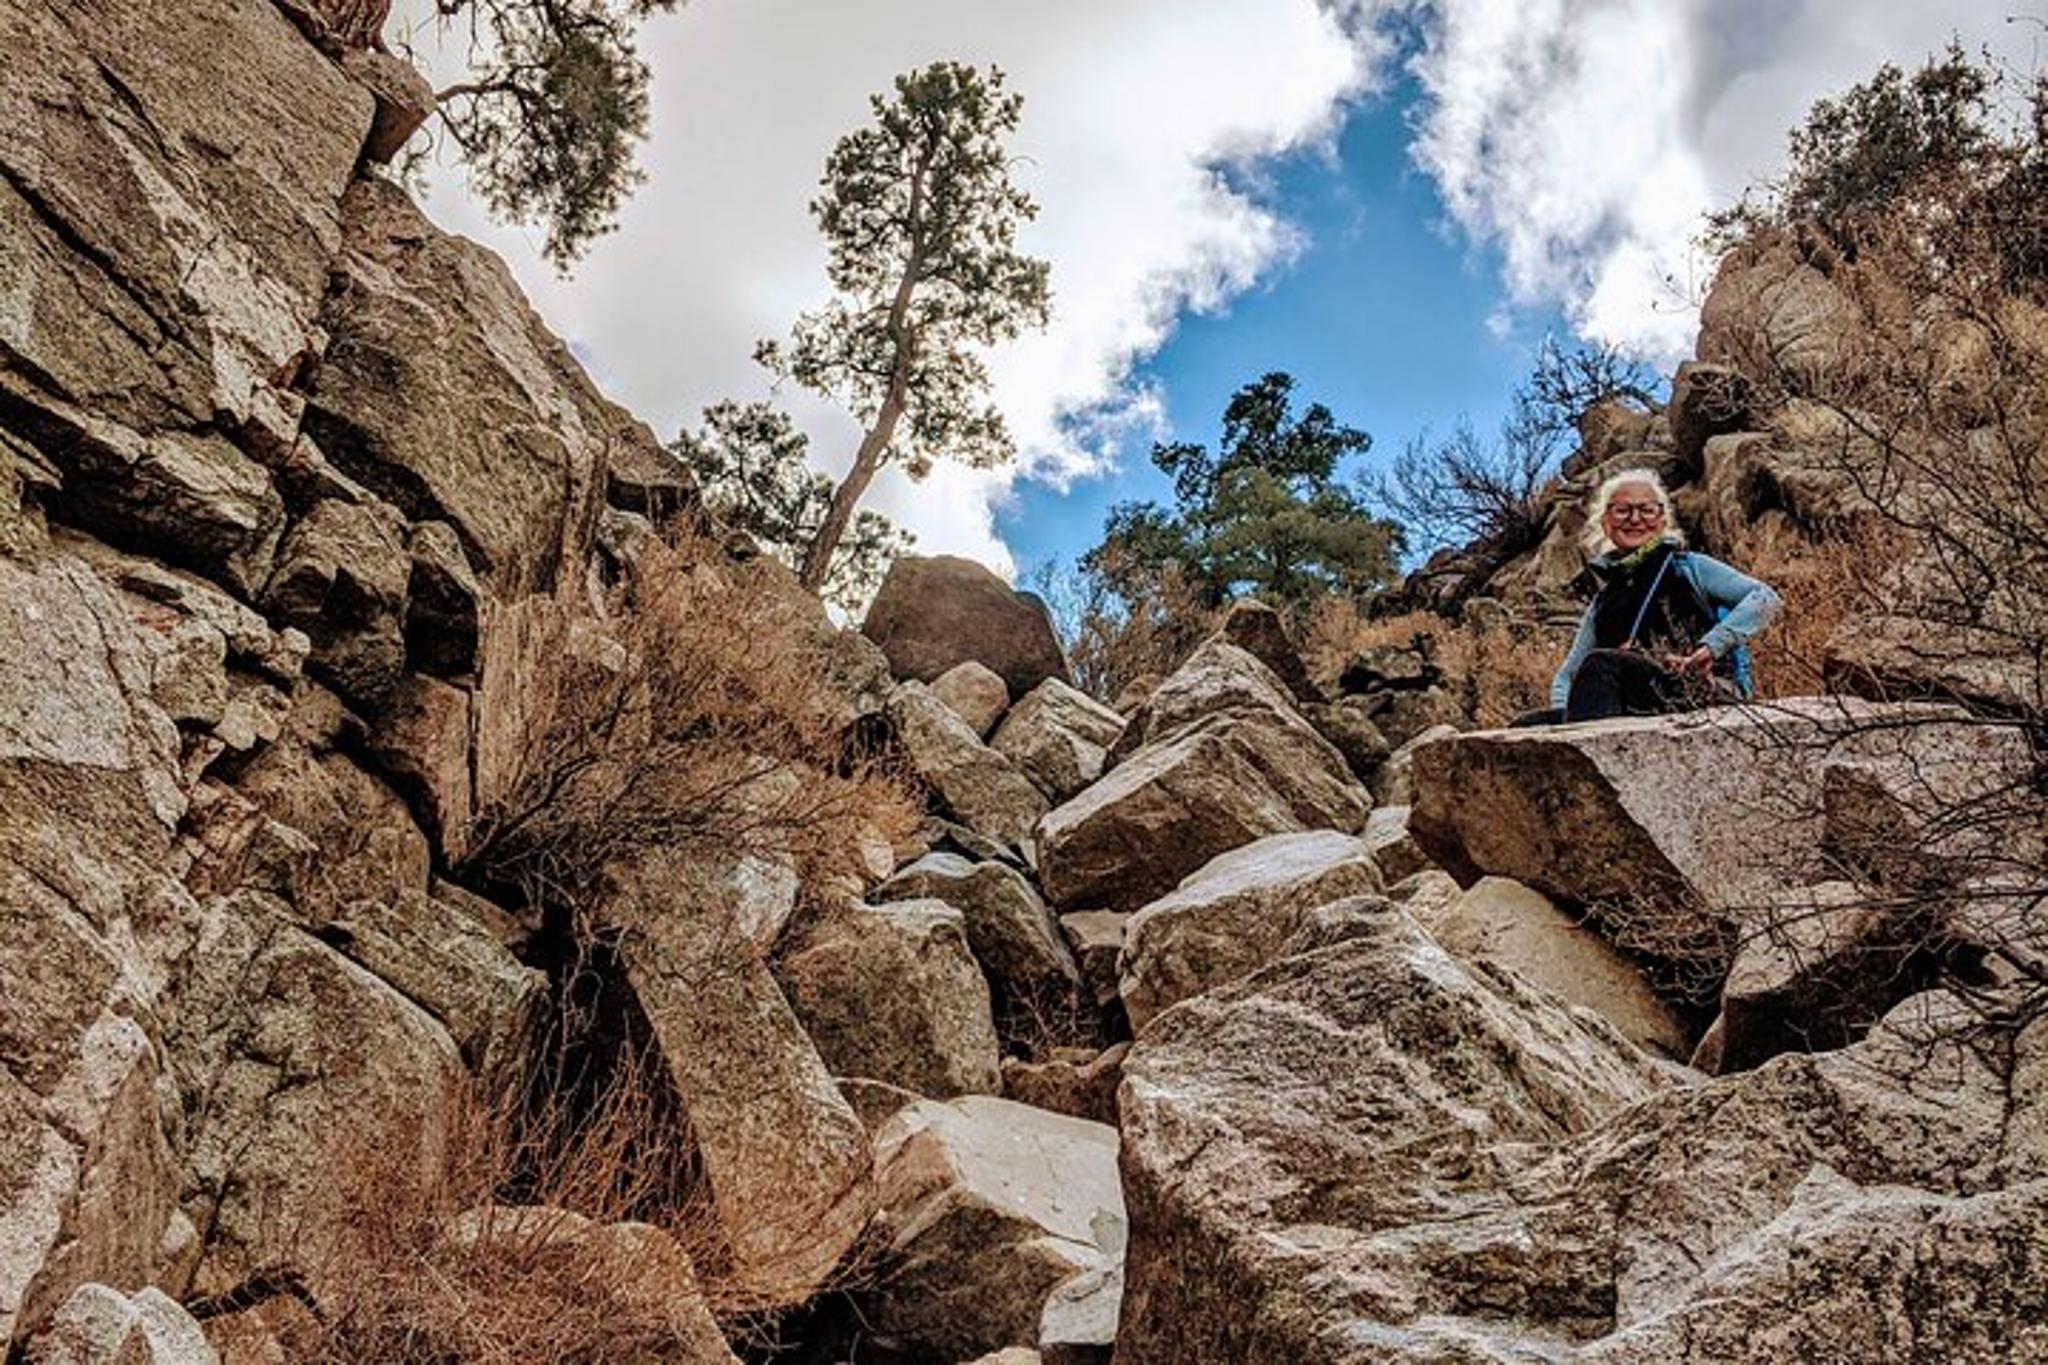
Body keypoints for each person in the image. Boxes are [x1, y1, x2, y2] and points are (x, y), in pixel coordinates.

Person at [1521, 468, 1781, 725]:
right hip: (1633, 699)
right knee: (1528, 725)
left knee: (1602, 665)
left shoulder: (1690, 568)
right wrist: (1562, 719)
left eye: (1646, 510)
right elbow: (1567, 676)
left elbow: (1764, 597)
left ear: (1662, 521)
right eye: (1622, 510)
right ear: (1605, 523)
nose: (1635, 519)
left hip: (1701, 688)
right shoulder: (1604, 600)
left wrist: (1710, 649)